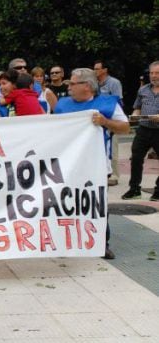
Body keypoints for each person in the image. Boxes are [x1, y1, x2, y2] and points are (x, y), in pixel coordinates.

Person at [54, 67, 129, 260]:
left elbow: (125, 128)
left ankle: (102, 243)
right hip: (69, 165)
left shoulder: (107, 104)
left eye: (72, 83)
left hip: (97, 164)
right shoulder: (62, 105)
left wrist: (105, 122)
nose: (69, 87)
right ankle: (68, 240)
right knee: (68, 202)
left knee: (97, 204)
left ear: (86, 86)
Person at [122, 61, 159, 201]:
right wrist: (136, 114)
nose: (154, 76)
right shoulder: (143, 90)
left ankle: (158, 190)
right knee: (136, 158)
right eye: (152, 73)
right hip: (143, 130)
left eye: (157, 73)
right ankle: (134, 189)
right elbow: (137, 107)